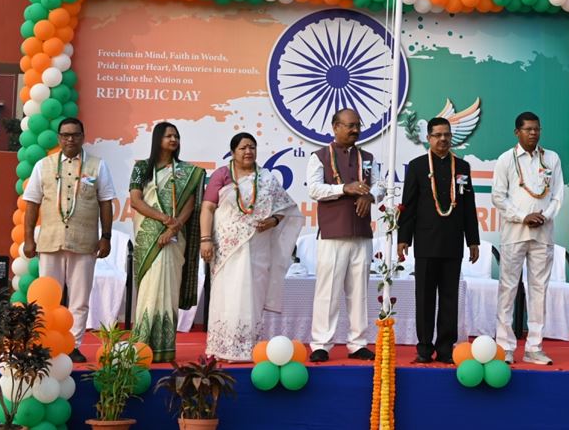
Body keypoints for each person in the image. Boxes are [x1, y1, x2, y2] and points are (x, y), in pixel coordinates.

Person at [200, 132, 301, 362]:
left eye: (252, 147)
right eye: (243, 148)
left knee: (251, 295)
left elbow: (285, 210)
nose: (248, 152)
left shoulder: (266, 178)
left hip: (258, 247)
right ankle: (222, 347)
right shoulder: (222, 175)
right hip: (227, 248)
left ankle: (248, 347)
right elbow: (207, 208)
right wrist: (205, 239)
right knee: (227, 294)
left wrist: (272, 221)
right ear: (233, 152)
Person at [21, 117, 115, 362]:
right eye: (65, 135)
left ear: (83, 137)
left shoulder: (98, 165)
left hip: (84, 242)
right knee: (46, 297)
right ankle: (43, 344)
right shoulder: (43, 165)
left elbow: (106, 203)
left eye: (75, 134)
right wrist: (28, 239)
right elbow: (32, 204)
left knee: (79, 299)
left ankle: (73, 345)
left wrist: (106, 236)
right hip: (50, 241)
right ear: (59, 138)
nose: (70, 139)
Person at [397, 117, 480, 364]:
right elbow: (408, 205)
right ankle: (424, 348)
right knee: (424, 298)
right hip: (425, 241)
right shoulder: (417, 166)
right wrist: (403, 238)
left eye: (447, 134)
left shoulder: (462, 167)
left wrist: (473, 240)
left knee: (449, 298)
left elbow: (469, 206)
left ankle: (445, 349)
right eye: (437, 135)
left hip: (453, 241)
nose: (443, 139)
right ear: (429, 138)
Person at [491, 111, 565, 366]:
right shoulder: (505, 159)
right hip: (514, 234)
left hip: (543, 234)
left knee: (539, 290)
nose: (533, 133)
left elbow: (557, 195)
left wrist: (544, 216)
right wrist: (524, 216)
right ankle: (505, 346)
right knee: (508, 289)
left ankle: (534, 347)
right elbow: (498, 197)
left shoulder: (551, 158)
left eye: (537, 129)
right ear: (517, 132)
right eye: (528, 129)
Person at [127, 122, 204, 362]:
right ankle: (141, 345)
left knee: (168, 289)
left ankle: (163, 348)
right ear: (157, 139)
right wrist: (164, 219)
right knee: (149, 287)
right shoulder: (142, 167)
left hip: (174, 238)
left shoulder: (185, 172)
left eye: (176, 136)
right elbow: (136, 201)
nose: (173, 140)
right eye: (169, 135)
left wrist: (173, 228)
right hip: (149, 236)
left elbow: (190, 204)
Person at [306, 109, 379, 363]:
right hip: (332, 234)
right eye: (350, 126)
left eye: (358, 125)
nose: (355, 130)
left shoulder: (367, 157)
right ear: (335, 126)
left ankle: (358, 343)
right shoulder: (320, 156)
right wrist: (345, 188)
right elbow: (314, 189)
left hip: (361, 234)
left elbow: (381, 185)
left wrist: (370, 195)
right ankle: (321, 344)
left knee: (359, 292)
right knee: (327, 292)